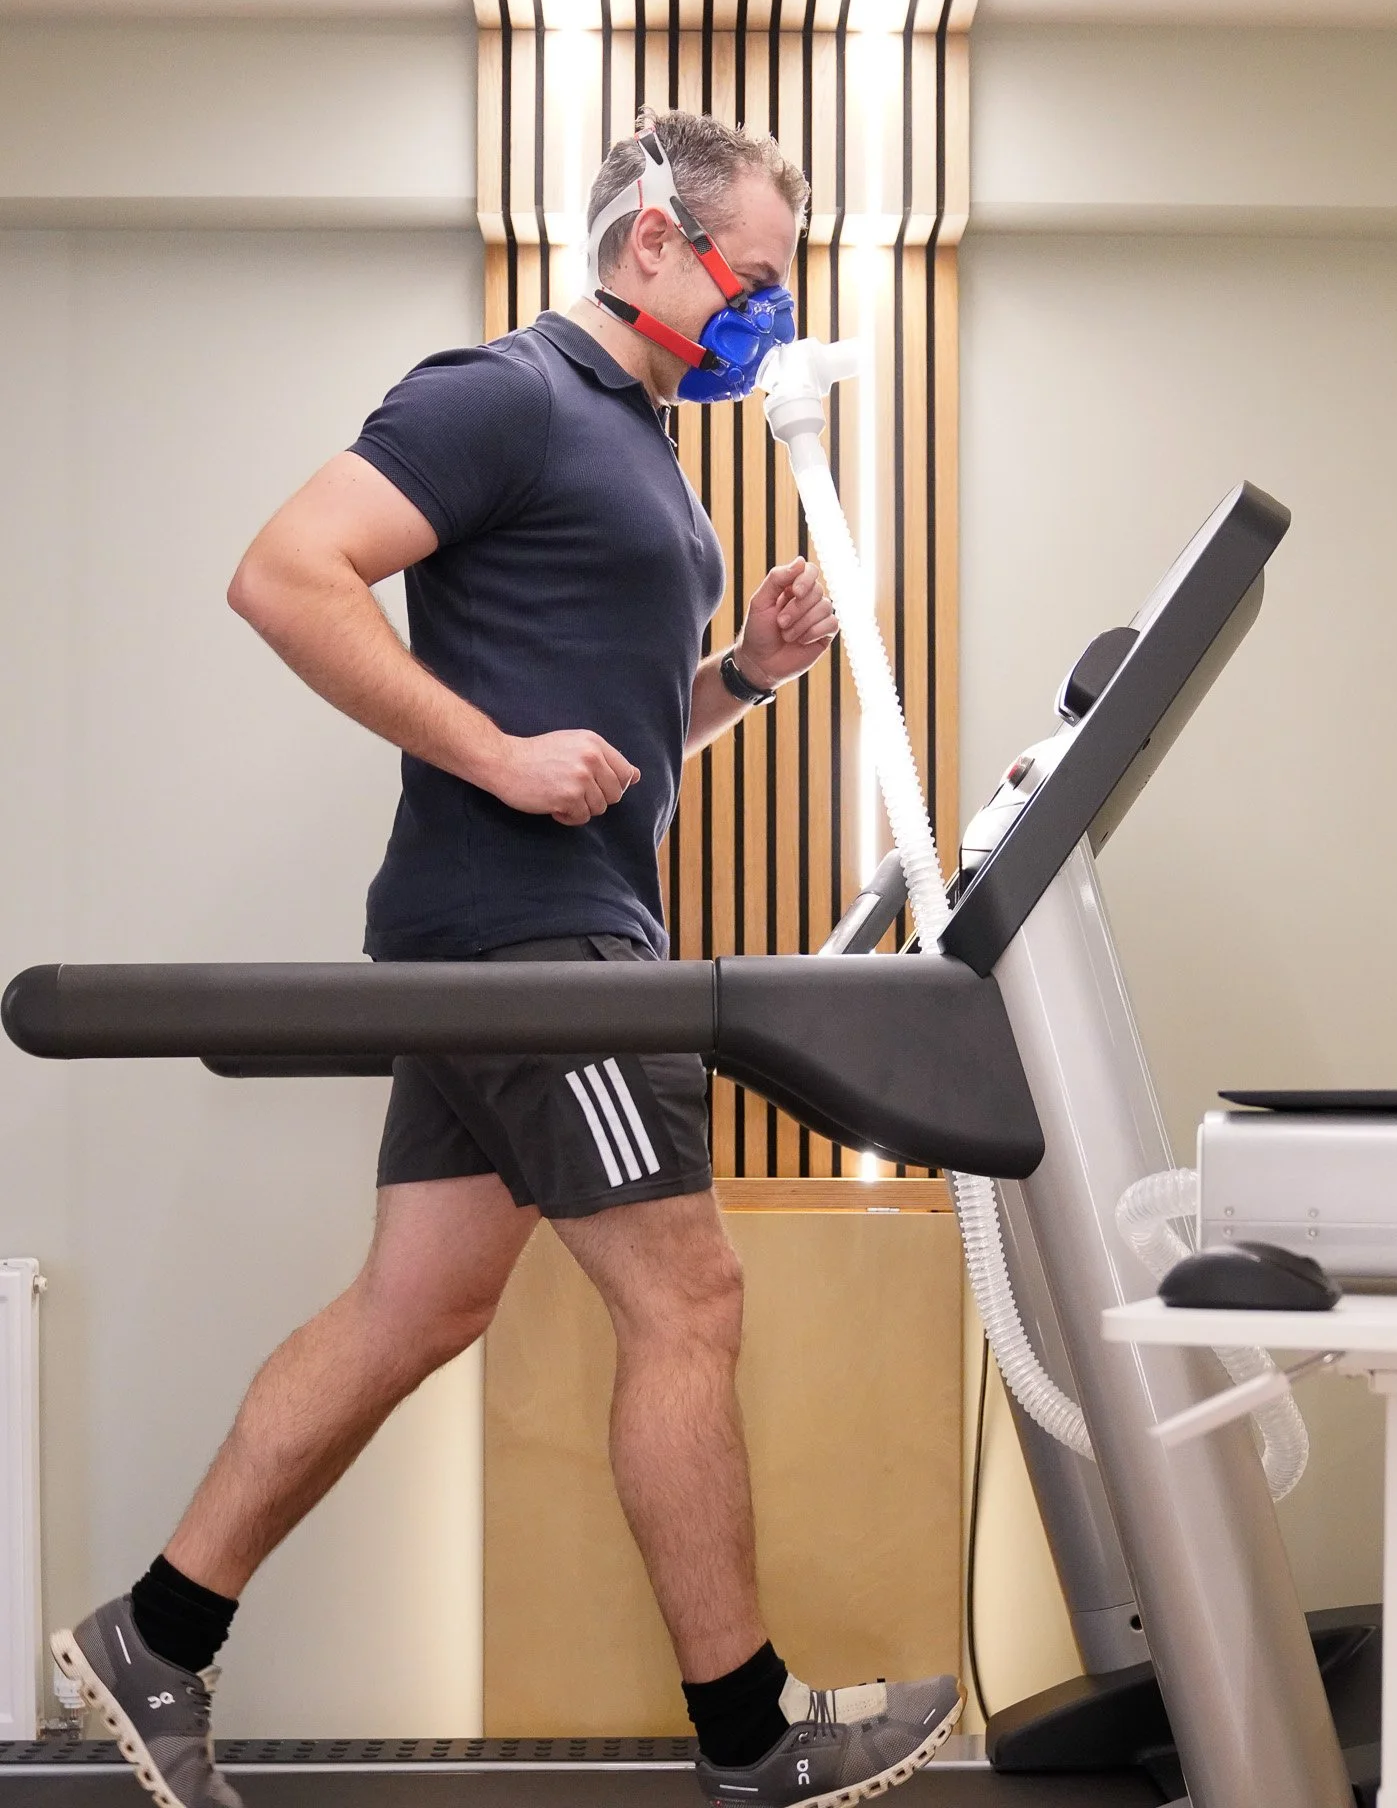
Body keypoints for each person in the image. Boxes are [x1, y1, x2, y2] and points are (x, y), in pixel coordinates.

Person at [50, 110, 960, 1808]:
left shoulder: (642, 451)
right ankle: (750, 1741)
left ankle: (156, 1636)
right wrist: (488, 755)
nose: (761, 311)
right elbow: (284, 574)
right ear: (647, 247)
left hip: (523, 927)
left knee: (419, 1302)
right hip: (530, 934)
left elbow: (610, 731)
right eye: (749, 277)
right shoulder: (502, 395)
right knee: (689, 1297)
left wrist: (742, 675)